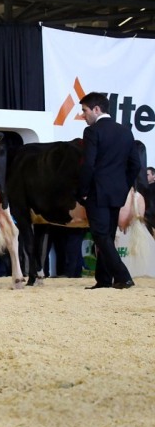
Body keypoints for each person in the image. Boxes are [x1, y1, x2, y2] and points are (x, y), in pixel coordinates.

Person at [78, 92, 140, 290]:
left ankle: (123, 276)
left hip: (97, 192)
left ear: (97, 109)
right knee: (107, 236)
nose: (83, 115)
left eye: (85, 110)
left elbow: (88, 164)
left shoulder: (92, 132)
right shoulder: (125, 132)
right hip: (117, 193)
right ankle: (103, 280)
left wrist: (84, 190)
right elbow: (135, 165)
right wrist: (123, 187)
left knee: (101, 236)